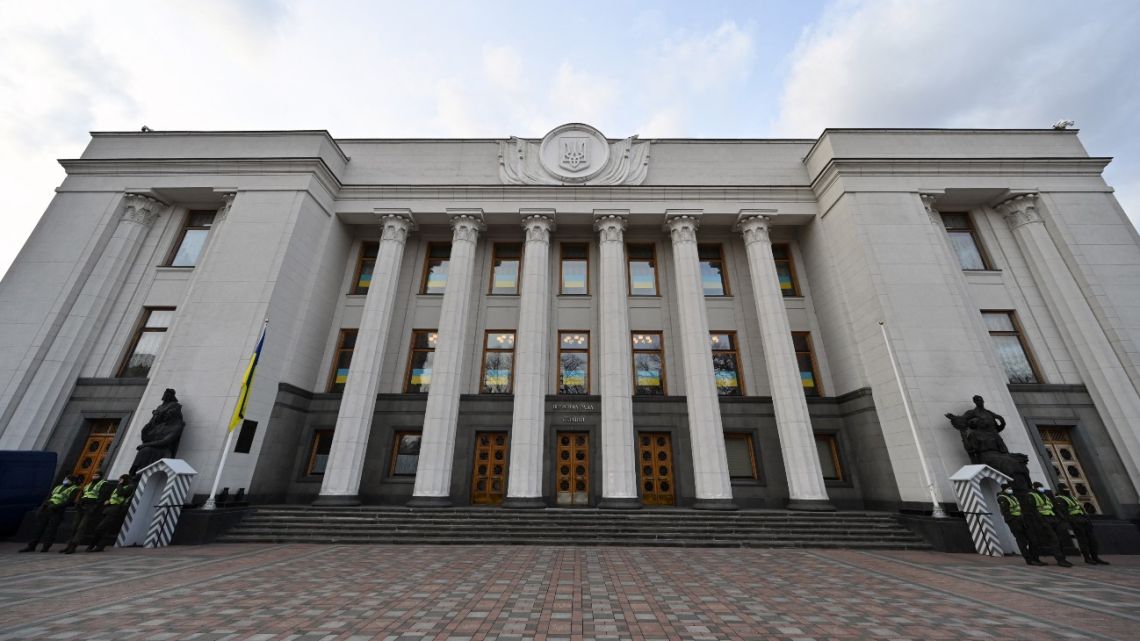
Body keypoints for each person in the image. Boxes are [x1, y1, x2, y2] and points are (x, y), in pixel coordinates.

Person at [18, 474, 82, 553]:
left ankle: (46, 547)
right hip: (47, 508)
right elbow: (50, 497)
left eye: (67, 479)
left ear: (72, 481)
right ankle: (31, 546)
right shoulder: (58, 487)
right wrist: (44, 505)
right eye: (65, 479)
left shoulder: (74, 489)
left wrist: (56, 506)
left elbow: (69, 502)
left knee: (51, 530)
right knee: (39, 528)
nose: (65, 480)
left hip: (57, 511)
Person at [1054, 484, 1110, 565]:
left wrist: (1087, 520)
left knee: (1092, 540)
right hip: (1076, 521)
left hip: (1084, 520)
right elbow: (1065, 513)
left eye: (1067, 488)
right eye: (1065, 489)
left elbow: (1081, 509)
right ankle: (1087, 558)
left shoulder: (1073, 497)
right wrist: (1073, 522)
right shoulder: (1060, 499)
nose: (1067, 490)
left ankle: (1095, 557)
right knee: (1083, 540)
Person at [60, 471, 113, 554]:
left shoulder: (103, 483)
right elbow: (83, 494)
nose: (94, 476)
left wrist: (95, 507)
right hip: (82, 506)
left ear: (100, 476)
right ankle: (69, 545)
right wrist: (79, 503)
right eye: (94, 475)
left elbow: (102, 497)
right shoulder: (88, 485)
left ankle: (73, 546)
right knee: (74, 526)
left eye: (96, 475)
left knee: (81, 527)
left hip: (91, 507)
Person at [1027, 481, 1073, 567]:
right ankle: (1060, 559)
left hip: (1053, 519)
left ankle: (1063, 558)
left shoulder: (1046, 495)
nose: (1042, 488)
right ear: (1035, 488)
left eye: (1042, 486)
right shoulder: (1032, 495)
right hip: (1044, 520)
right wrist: (1041, 521)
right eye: (1040, 487)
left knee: (1060, 539)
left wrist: (1060, 518)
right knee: (1054, 539)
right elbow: (1034, 510)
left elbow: (1053, 507)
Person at [997, 483, 1044, 566]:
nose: (1010, 489)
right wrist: (1013, 521)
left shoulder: (1013, 497)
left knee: (1032, 539)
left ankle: (1035, 558)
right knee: (1022, 541)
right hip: (1014, 521)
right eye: (1008, 488)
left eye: (1010, 488)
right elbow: (1006, 512)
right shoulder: (1002, 498)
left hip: (1022, 520)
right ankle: (1029, 559)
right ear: (1004, 489)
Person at [87, 474, 136, 552]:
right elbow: (113, 496)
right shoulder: (118, 487)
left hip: (116, 509)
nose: (119, 480)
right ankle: (96, 546)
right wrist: (108, 501)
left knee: (101, 528)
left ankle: (97, 545)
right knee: (103, 529)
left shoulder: (129, 487)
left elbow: (121, 493)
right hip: (108, 508)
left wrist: (119, 485)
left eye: (121, 479)